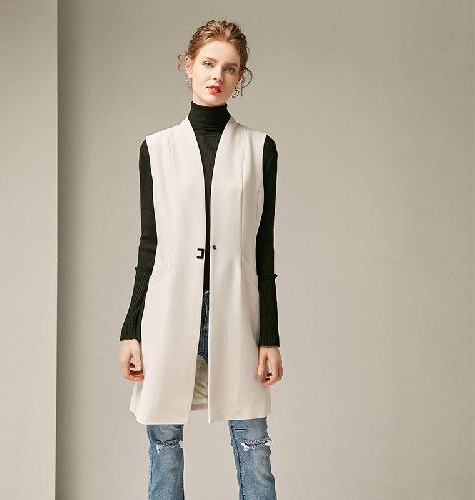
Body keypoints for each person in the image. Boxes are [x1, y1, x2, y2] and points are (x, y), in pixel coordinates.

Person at [118, 19, 284, 499]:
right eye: (208, 63)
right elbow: (149, 245)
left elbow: (264, 247)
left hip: (236, 309)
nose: (217, 76)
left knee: (253, 442)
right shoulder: (157, 149)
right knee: (164, 442)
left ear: (240, 77)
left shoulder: (259, 149)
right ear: (188, 66)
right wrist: (131, 329)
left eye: (230, 68)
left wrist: (270, 336)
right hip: (168, 309)